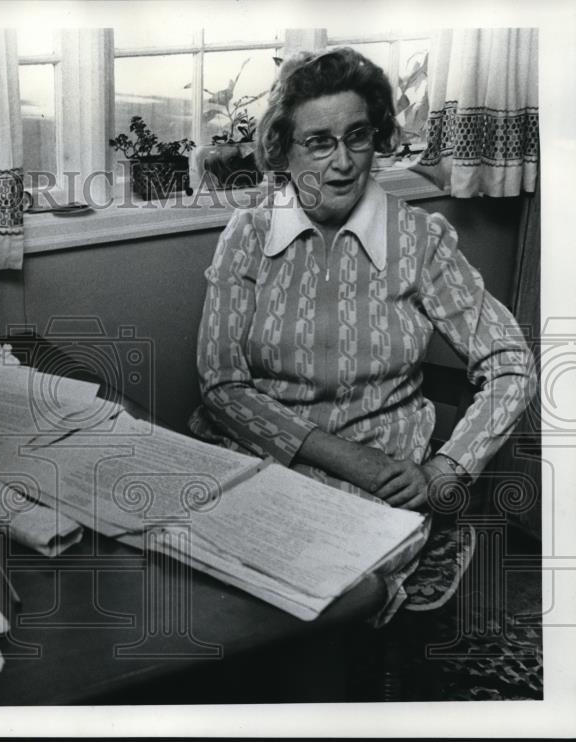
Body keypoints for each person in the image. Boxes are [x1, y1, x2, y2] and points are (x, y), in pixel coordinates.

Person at [190, 48, 536, 521]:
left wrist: (446, 468)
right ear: (283, 148)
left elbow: (512, 362)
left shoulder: (420, 238)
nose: (343, 162)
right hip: (257, 462)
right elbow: (222, 386)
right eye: (319, 142)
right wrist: (346, 458)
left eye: (357, 136)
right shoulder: (249, 234)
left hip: (382, 486)